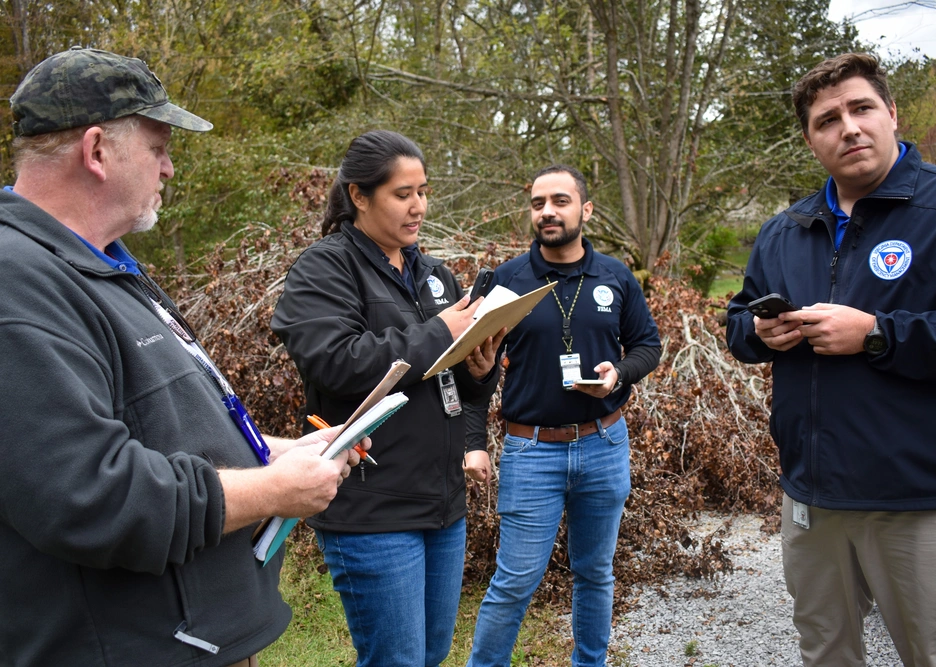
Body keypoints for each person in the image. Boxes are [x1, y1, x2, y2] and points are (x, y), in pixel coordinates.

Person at [0, 48, 364, 667]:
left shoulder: (98, 263)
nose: (169, 168)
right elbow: (91, 496)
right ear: (96, 151)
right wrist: (272, 490)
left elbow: (158, 428)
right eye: (158, 148)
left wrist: (272, 452)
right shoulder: (18, 283)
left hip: (196, 639)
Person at [726, 52, 936, 667]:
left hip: (923, 501)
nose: (848, 128)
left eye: (861, 109)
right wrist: (761, 333)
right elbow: (739, 323)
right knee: (826, 654)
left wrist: (878, 334)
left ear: (891, 114)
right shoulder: (785, 230)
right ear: (810, 140)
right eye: (827, 120)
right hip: (812, 499)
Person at [270, 130, 503, 667]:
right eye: (402, 194)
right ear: (359, 195)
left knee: (431, 653)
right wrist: (441, 333)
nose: (418, 206)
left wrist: (480, 371)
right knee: (396, 660)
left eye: (423, 192)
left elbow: (451, 382)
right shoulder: (325, 269)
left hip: (442, 504)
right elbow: (335, 362)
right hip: (372, 506)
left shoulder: (434, 275)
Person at [466, 164, 661, 667]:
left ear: (585, 210)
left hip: (604, 444)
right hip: (532, 451)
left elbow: (647, 344)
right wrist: (474, 441)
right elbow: (474, 368)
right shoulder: (508, 279)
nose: (547, 212)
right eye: (538, 204)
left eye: (560, 201)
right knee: (515, 580)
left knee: (595, 573)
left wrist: (619, 374)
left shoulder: (615, 276)